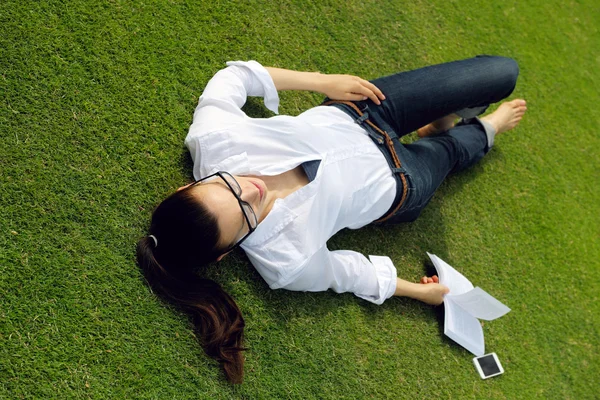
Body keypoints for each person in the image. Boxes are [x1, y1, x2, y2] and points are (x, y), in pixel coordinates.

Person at [136, 55, 526, 383]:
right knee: (459, 146)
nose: (251, 190)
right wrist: (421, 293)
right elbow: (350, 273)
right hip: (399, 182)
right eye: (245, 214)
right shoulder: (286, 263)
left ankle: (440, 122)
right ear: (227, 253)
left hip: (363, 111)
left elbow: (236, 77)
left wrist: (324, 81)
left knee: (502, 73)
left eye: (227, 186)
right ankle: (477, 131)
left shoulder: (213, 140)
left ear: (185, 188)